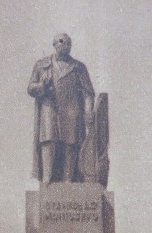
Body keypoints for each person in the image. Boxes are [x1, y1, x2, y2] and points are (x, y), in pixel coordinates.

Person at [28, 33, 95, 184]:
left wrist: (89, 110)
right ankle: (47, 178)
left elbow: (88, 92)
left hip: (72, 110)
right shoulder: (42, 65)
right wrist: (41, 86)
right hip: (49, 109)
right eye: (62, 42)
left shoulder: (78, 67)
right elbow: (30, 87)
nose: (66, 46)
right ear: (54, 44)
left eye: (69, 43)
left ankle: (68, 180)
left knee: (70, 143)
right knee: (48, 140)